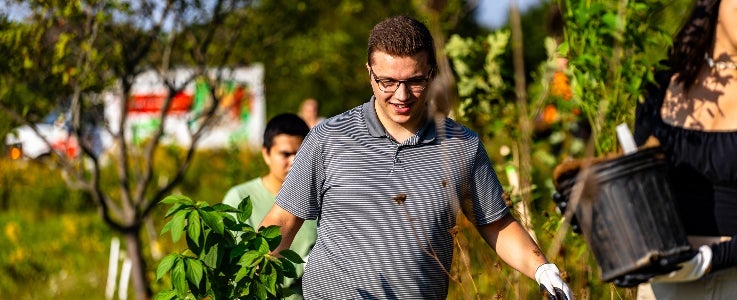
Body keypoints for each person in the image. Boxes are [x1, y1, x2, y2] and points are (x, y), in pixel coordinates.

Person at [259, 15, 573, 299]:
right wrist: (243, 277)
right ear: (369, 73)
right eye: (388, 82)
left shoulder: (461, 145)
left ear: (432, 73)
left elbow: (496, 224)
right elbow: (283, 221)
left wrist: (542, 269)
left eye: (415, 81)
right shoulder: (328, 138)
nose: (401, 95)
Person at [632, 0, 737, 298]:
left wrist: (711, 259)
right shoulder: (657, 89)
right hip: (664, 287)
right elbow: (636, 195)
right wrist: (594, 208)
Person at [222, 113, 317, 300]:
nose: (293, 161)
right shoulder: (240, 198)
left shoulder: (319, 198)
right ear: (266, 153)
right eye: (285, 154)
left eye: (300, 153)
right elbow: (235, 262)